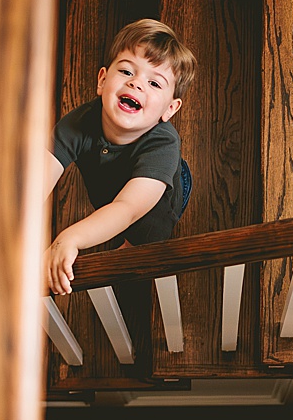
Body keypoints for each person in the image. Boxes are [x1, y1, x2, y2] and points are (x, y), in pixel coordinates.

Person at [44, 19, 195, 295]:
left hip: (156, 193)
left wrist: (70, 237)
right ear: (102, 80)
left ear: (170, 109)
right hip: (110, 185)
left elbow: (127, 208)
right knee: (109, 205)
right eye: (126, 70)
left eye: (154, 83)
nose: (136, 83)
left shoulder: (164, 144)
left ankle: (133, 246)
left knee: (146, 231)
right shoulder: (78, 123)